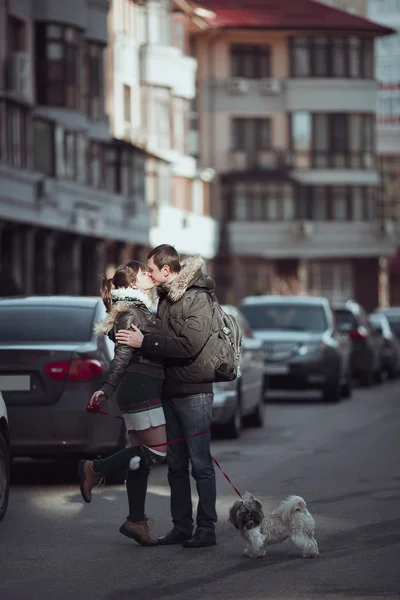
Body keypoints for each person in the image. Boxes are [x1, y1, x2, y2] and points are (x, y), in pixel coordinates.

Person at [115, 245, 217, 548]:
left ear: (167, 271)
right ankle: (182, 526)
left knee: (200, 464)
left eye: (151, 270)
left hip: (195, 391)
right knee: (175, 464)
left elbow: (190, 344)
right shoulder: (163, 298)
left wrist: (146, 342)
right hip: (170, 391)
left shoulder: (197, 298)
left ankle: (207, 529)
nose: (148, 274)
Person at [78, 261, 167, 547]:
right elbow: (122, 356)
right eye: (143, 272)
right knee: (159, 451)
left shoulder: (136, 309)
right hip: (140, 387)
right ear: (131, 285)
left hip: (142, 385)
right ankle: (96, 468)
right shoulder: (131, 312)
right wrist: (106, 388)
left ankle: (136, 521)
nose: (148, 275)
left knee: (139, 459)